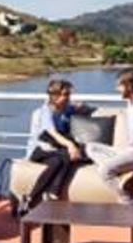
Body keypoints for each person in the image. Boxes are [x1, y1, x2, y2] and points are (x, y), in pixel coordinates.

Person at [85, 67, 133, 204]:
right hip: (130, 150)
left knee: (104, 170)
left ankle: (127, 200)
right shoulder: (131, 104)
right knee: (90, 147)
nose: (116, 89)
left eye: (119, 85)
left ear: (129, 85)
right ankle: (125, 174)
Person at [21, 78, 92, 215]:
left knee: (58, 161)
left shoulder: (66, 108)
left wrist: (81, 106)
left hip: (55, 152)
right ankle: (54, 193)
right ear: (54, 95)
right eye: (65, 94)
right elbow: (52, 133)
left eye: (69, 94)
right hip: (40, 149)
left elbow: (84, 108)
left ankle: (31, 198)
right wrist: (71, 145)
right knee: (67, 155)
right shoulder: (44, 112)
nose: (67, 98)